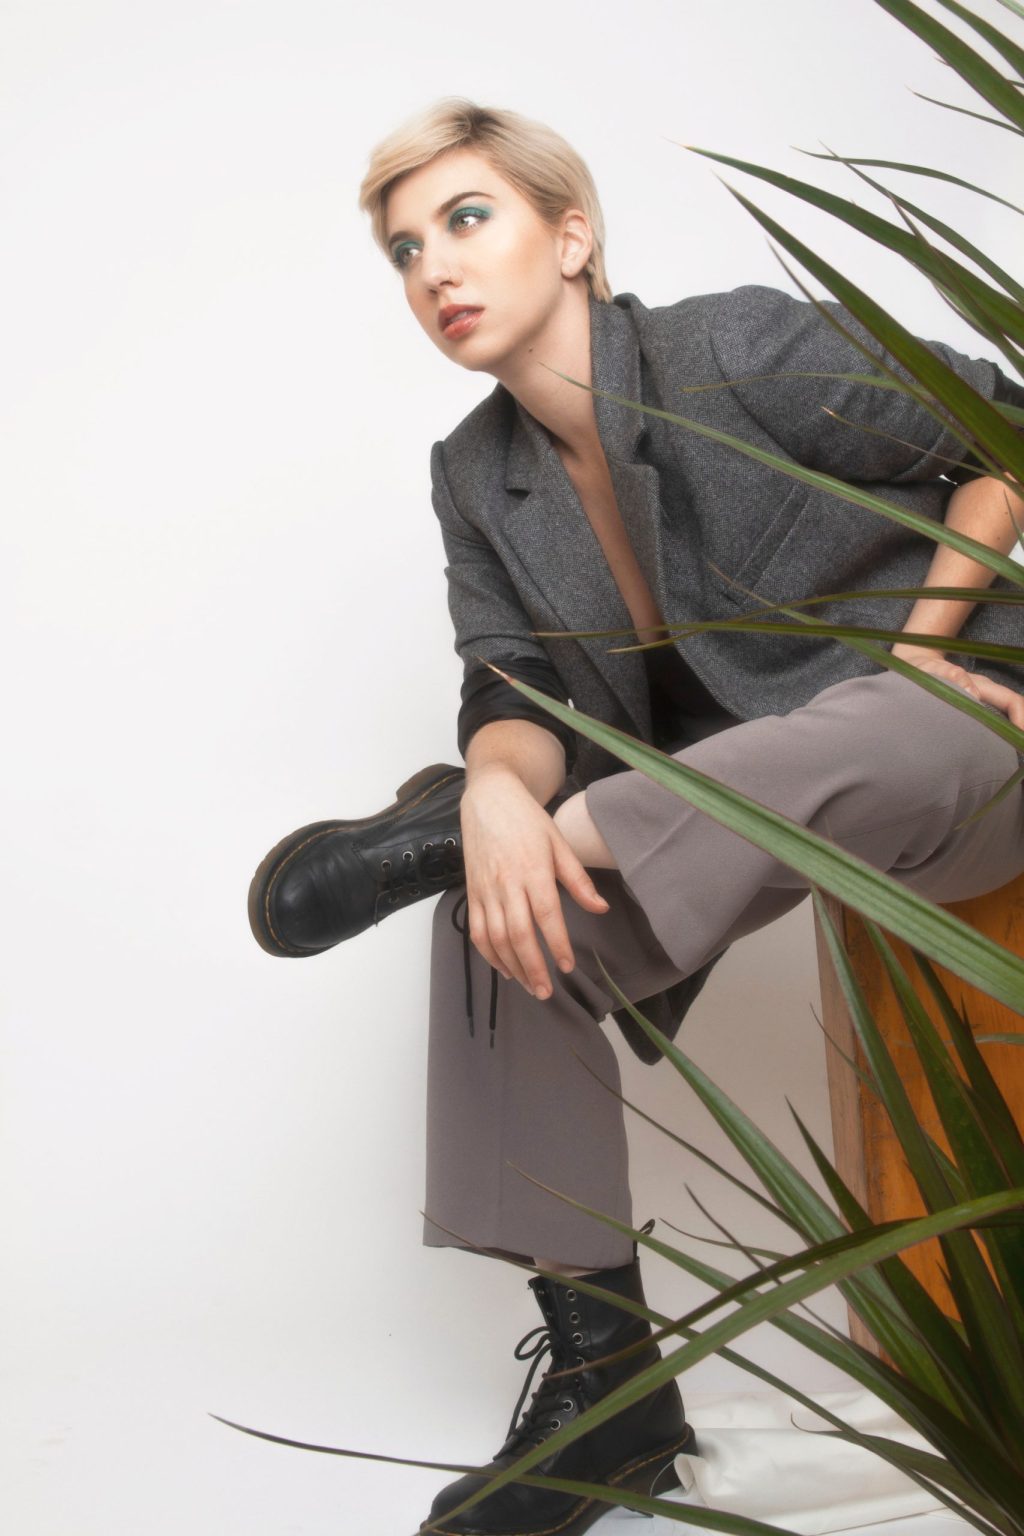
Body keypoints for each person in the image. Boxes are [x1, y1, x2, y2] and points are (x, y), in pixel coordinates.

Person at [246, 100, 1024, 1536]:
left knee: (896, 727)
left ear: (573, 236)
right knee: (498, 914)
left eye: (466, 220)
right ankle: (611, 1392)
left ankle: (437, 835)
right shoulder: (475, 473)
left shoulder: (733, 348)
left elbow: (1000, 427)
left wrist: (923, 650)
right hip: (725, 804)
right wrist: (497, 789)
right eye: (405, 250)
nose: (434, 269)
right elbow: (510, 683)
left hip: (963, 736)